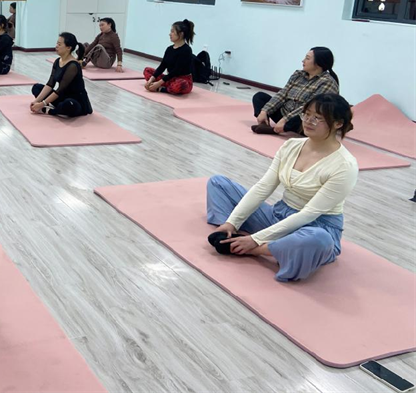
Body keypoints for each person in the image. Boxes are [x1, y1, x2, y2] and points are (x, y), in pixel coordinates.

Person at [206, 93, 358, 282]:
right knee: (218, 183)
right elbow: (263, 187)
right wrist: (232, 223)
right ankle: (234, 236)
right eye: (306, 114)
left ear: (338, 124)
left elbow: (308, 214)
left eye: (317, 118)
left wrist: (255, 240)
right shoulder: (291, 146)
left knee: (318, 239)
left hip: (315, 225)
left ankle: (258, 250)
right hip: (278, 215)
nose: (308, 121)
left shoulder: (345, 166)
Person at [252, 47, 340, 135]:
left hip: (305, 120)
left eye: (307, 58)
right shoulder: (298, 74)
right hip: (285, 113)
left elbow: (309, 107)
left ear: (318, 63)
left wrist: (285, 120)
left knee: (304, 116)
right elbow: (283, 94)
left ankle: (275, 130)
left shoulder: (327, 82)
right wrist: (265, 111)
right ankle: (264, 124)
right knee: (259, 97)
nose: (303, 61)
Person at [31, 33, 93, 118]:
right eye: (57, 43)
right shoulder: (57, 61)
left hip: (76, 101)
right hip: (62, 96)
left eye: (59, 44)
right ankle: (56, 108)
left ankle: (49, 110)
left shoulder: (73, 65)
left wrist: (42, 104)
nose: (56, 46)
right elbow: (50, 84)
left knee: (68, 105)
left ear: (68, 48)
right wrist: (36, 101)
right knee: (36, 87)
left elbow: (60, 90)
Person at [143, 19, 195, 95]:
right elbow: (162, 66)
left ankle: (162, 89)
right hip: (170, 78)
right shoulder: (169, 49)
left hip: (182, 80)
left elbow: (176, 71)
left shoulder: (186, 50)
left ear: (181, 34)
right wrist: (151, 80)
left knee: (180, 84)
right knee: (147, 70)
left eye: (172, 32)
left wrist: (158, 84)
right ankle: (164, 85)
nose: (170, 34)